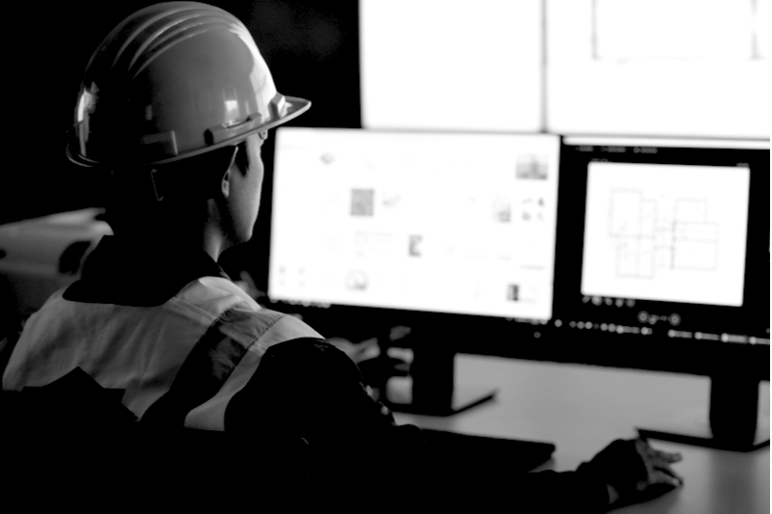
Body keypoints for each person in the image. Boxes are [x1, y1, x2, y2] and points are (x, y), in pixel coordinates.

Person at [2, 2, 682, 511]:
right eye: (260, 146)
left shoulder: (31, 339)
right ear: (231, 166)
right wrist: (601, 483)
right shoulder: (278, 358)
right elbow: (419, 498)